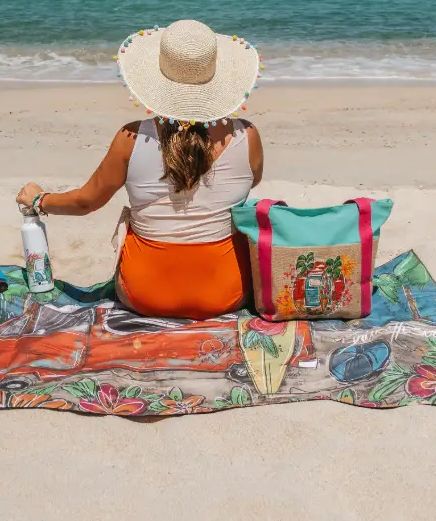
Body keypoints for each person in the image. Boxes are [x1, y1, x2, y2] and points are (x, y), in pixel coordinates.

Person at [16, 19, 263, 319]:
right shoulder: (246, 137)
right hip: (225, 294)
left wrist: (40, 200)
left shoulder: (131, 139)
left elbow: (86, 201)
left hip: (145, 294)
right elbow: (253, 181)